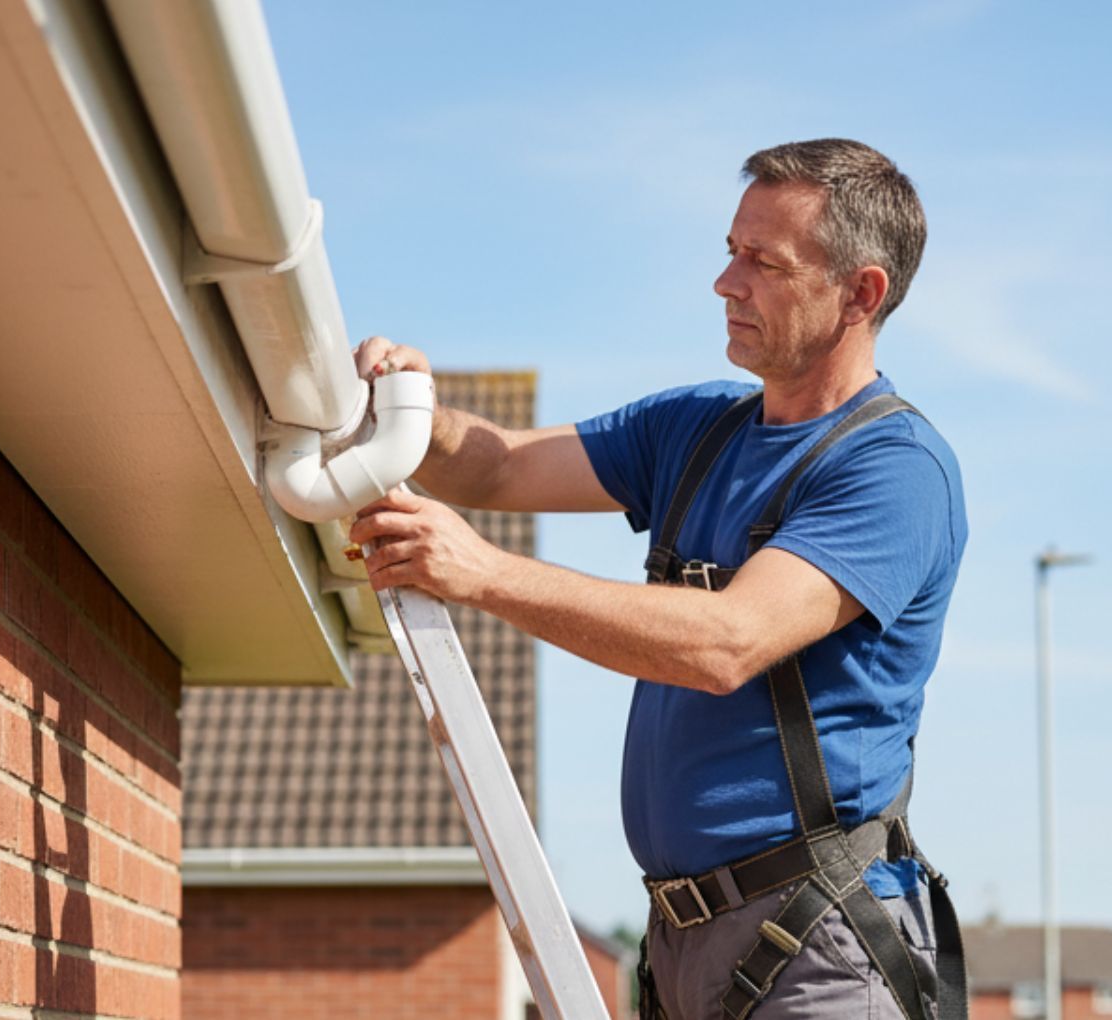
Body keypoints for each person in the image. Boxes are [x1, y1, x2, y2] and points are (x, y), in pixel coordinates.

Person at [349, 138, 968, 1020]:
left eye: (763, 262)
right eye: (730, 251)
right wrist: (410, 412)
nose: (727, 282)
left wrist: (480, 574)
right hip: (679, 947)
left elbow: (729, 642)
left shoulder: (895, 470)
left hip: (819, 949)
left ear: (860, 294)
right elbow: (495, 470)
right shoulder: (695, 428)